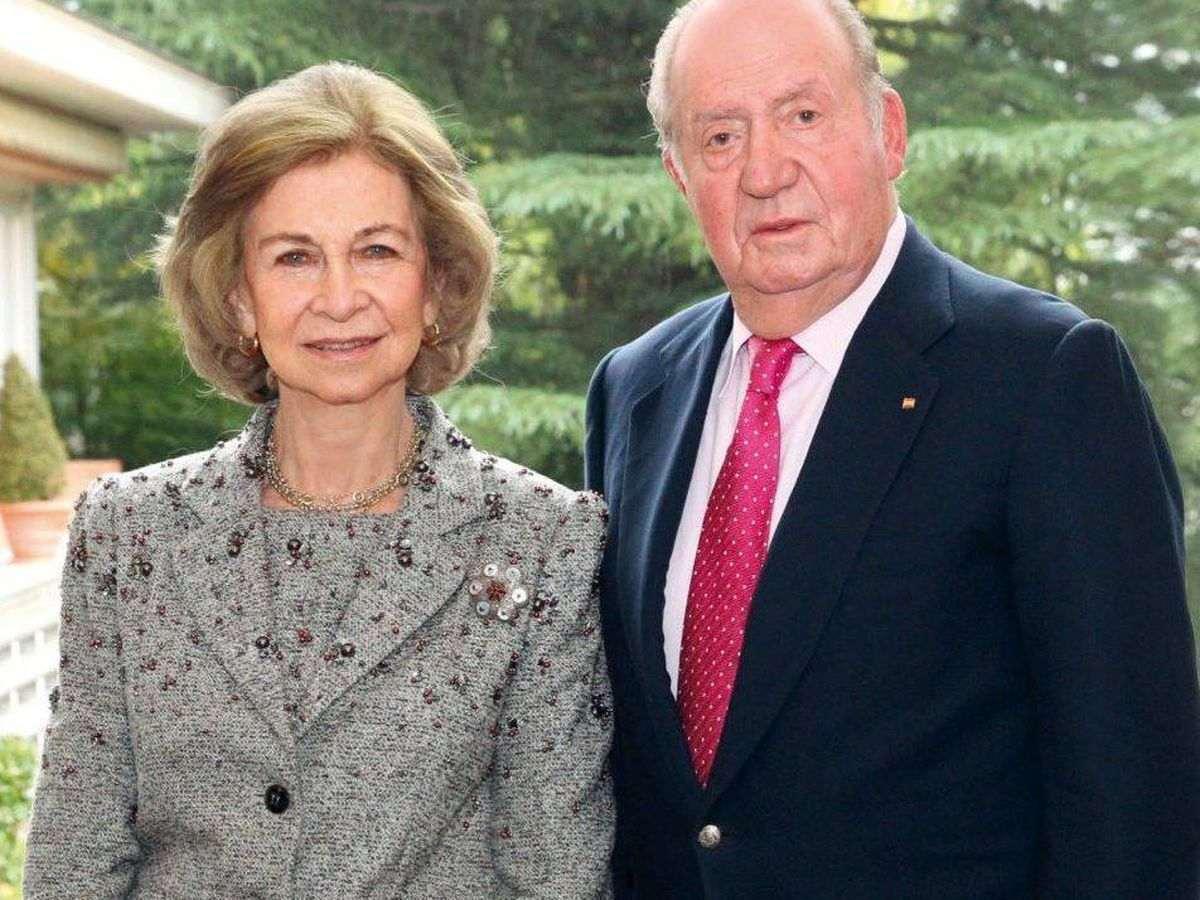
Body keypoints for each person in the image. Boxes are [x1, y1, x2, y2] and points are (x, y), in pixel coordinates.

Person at [584, 0, 1200, 896]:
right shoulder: (636, 390)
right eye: (720, 137)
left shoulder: (1042, 376)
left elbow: (1133, 799)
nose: (764, 172)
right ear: (680, 173)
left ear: (890, 132)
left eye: (803, 115)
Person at [24, 62, 614, 898]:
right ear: (239, 298)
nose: (339, 298)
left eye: (376, 250)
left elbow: (555, 876)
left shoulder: (541, 541)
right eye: (295, 257)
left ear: (436, 286)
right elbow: (74, 862)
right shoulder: (129, 533)